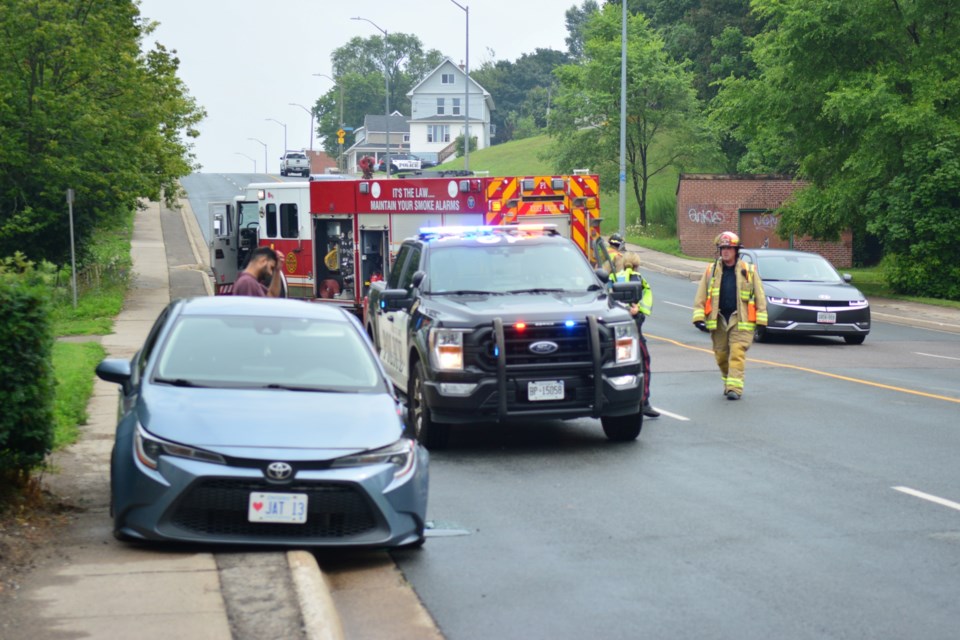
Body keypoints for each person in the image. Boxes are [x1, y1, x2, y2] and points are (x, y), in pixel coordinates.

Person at [691, 231, 768, 400]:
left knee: (736, 352)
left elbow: (760, 295)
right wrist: (698, 318)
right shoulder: (711, 271)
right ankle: (729, 381)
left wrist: (762, 320)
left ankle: (735, 388)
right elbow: (701, 294)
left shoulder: (749, 271)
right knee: (721, 355)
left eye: (729, 248)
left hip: (741, 320)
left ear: (736, 251)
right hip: (718, 319)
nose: (725, 251)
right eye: (723, 248)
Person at [610, 251, 659, 418]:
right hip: (632, 328)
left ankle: (618, 400)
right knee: (643, 362)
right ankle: (643, 402)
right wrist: (638, 312)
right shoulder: (639, 279)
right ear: (637, 265)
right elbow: (645, 302)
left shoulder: (613, 278)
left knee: (617, 365)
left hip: (615, 327)